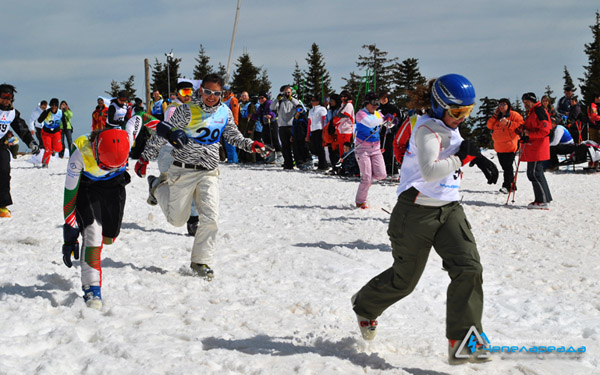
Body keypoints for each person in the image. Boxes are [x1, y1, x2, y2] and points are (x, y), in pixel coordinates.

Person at [351, 74, 497, 366]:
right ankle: (365, 304)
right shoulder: (426, 130)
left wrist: (478, 157)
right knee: (405, 281)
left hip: (450, 209)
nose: (462, 118)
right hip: (415, 211)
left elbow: (457, 147)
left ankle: (465, 343)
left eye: (467, 112)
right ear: (439, 105)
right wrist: (463, 159)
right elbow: (430, 170)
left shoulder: (448, 125)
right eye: (457, 112)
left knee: (469, 268)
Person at [134, 73, 269, 280]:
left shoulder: (224, 111)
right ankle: (157, 186)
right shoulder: (186, 110)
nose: (211, 97)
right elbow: (164, 133)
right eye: (207, 92)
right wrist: (145, 157)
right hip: (183, 169)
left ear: (222, 94)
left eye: (216, 93)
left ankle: (200, 261)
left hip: (209, 171)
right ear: (201, 90)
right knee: (177, 220)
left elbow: (232, 136)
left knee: (210, 218)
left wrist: (252, 145)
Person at [61, 128, 131, 309]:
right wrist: (70, 234)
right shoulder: (79, 155)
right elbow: (69, 196)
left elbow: (141, 120)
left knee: (109, 237)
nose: (110, 169)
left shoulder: (127, 137)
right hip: (88, 187)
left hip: (114, 187)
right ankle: (92, 289)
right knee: (93, 235)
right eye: (106, 166)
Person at [0, 84, 40, 218]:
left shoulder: (12, 113)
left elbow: (21, 128)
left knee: (4, 172)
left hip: (1, 146)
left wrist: (31, 142)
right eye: (4, 97)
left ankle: (2, 205)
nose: (6, 100)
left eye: (9, 97)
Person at [353, 92, 388, 208]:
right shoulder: (360, 114)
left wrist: (391, 122)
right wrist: (384, 119)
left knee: (382, 174)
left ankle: (367, 182)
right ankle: (360, 201)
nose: (375, 105)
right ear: (367, 103)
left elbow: (387, 124)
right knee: (366, 177)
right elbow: (370, 123)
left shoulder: (378, 114)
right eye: (373, 103)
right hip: (362, 148)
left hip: (376, 148)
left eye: (377, 103)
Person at [519, 92, 552, 209]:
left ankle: (543, 200)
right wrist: (523, 129)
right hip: (534, 147)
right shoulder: (533, 112)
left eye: (526, 102)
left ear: (531, 100)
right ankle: (543, 199)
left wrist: (530, 134)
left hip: (538, 147)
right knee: (535, 173)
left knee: (534, 173)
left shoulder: (539, 110)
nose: (524, 104)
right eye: (523, 102)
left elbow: (546, 130)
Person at [486, 98, 523, 193]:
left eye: (503, 104)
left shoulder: (514, 115)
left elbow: (521, 125)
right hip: (499, 146)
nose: (501, 106)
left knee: (507, 167)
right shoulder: (497, 116)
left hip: (511, 145)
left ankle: (507, 186)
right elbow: (489, 126)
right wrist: (495, 115)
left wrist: (508, 123)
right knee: (505, 167)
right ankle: (512, 184)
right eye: (500, 104)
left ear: (508, 105)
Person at [270, 85, 300, 169]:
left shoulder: (293, 101)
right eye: (285, 92)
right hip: (282, 126)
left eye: (288, 92)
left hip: (291, 126)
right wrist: (277, 99)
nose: (286, 94)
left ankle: (298, 161)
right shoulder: (280, 101)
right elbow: (272, 107)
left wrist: (291, 98)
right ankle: (288, 162)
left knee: (294, 145)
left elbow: (299, 107)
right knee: (285, 146)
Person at [378, 92, 402, 176]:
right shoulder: (378, 108)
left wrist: (393, 123)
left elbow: (398, 118)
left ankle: (393, 171)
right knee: (381, 151)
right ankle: (383, 170)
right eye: (382, 98)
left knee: (389, 151)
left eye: (385, 98)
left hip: (390, 132)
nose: (384, 100)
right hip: (380, 132)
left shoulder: (392, 108)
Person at [37, 98, 66, 168]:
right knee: (47, 149)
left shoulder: (60, 112)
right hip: (46, 133)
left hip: (56, 132)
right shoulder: (47, 112)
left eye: (55, 105)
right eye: (52, 105)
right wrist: (45, 113)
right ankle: (45, 163)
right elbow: (39, 120)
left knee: (58, 148)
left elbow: (64, 122)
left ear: (57, 106)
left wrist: (65, 129)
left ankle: (53, 150)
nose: (53, 107)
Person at [254, 92, 279, 162]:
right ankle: (270, 156)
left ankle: (279, 156)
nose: (260, 100)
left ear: (265, 98)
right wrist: (253, 116)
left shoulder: (269, 103)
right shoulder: (260, 107)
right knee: (266, 141)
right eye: (259, 98)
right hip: (265, 124)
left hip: (271, 123)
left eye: (262, 98)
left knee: (274, 139)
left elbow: (273, 111)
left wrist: (270, 115)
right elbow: (257, 114)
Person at [306, 95, 328, 170]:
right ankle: (320, 163)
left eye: (314, 100)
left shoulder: (322, 109)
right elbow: (309, 122)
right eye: (311, 100)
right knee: (315, 148)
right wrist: (308, 134)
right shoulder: (311, 110)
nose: (312, 102)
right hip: (313, 130)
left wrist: (324, 132)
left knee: (320, 148)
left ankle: (323, 165)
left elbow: (324, 120)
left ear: (318, 101)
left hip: (320, 129)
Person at [333, 90, 355, 158]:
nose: (342, 98)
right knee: (341, 150)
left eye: (344, 97)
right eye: (341, 96)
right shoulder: (343, 105)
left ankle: (347, 164)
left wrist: (335, 121)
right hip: (341, 130)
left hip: (346, 131)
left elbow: (343, 116)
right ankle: (343, 164)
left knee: (345, 150)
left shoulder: (348, 105)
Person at [221, 85, 240, 164]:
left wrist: (235, 122)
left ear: (229, 92)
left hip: (231, 123)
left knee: (231, 141)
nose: (224, 93)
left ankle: (233, 159)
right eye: (223, 92)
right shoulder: (224, 100)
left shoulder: (233, 99)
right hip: (224, 123)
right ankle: (230, 158)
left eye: (225, 92)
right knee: (227, 142)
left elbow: (235, 111)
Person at [237, 91, 257, 163]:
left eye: (245, 96)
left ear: (248, 97)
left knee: (249, 142)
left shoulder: (251, 105)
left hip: (248, 125)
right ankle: (243, 158)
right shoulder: (241, 105)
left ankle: (251, 159)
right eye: (243, 96)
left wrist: (251, 128)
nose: (244, 97)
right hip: (242, 126)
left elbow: (253, 117)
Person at [291, 104, 311, 169]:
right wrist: (292, 135)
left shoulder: (304, 117)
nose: (299, 111)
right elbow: (293, 127)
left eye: (300, 109)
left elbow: (308, 126)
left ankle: (308, 162)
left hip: (303, 136)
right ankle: (299, 163)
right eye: (297, 110)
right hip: (296, 136)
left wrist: (308, 135)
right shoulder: (295, 117)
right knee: (297, 149)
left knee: (304, 149)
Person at [586, 93, 600, 170]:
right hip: (594, 127)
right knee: (594, 145)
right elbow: (594, 116)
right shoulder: (593, 105)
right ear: (597, 98)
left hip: (598, 127)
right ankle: (593, 162)